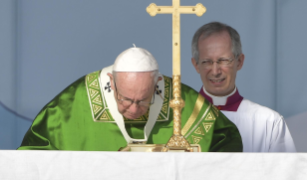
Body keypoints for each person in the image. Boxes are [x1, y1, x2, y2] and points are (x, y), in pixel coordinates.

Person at [18, 46, 242, 152]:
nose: (134, 109)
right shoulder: (74, 102)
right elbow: (33, 154)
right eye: (125, 99)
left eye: (143, 100)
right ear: (111, 82)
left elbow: (226, 142)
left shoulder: (179, 99)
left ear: (157, 85)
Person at [191, 22, 296, 152]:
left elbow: (286, 171)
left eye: (223, 60)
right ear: (196, 65)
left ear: (239, 62)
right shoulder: (178, 120)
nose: (215, 71)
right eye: (206, 62)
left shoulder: (268, 122)